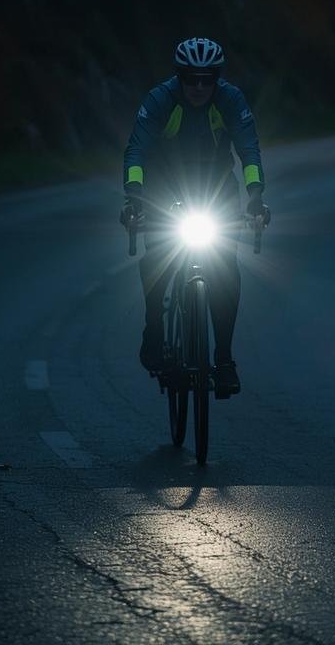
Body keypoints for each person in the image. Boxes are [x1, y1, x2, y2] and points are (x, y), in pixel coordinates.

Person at [120, 37, 268, 398]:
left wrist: (255, 197)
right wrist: (134, 197)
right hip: (163, 189)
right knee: (158, 257)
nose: (199, 87)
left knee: (226, 269)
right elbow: (136, 151)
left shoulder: (230, 100)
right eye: (191, 79)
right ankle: (154, 328)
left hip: (216, 189)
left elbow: (249, 151)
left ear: (217, 78)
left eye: (207, 79)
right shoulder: (160, 100)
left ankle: (224, 358)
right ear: (179, 76)